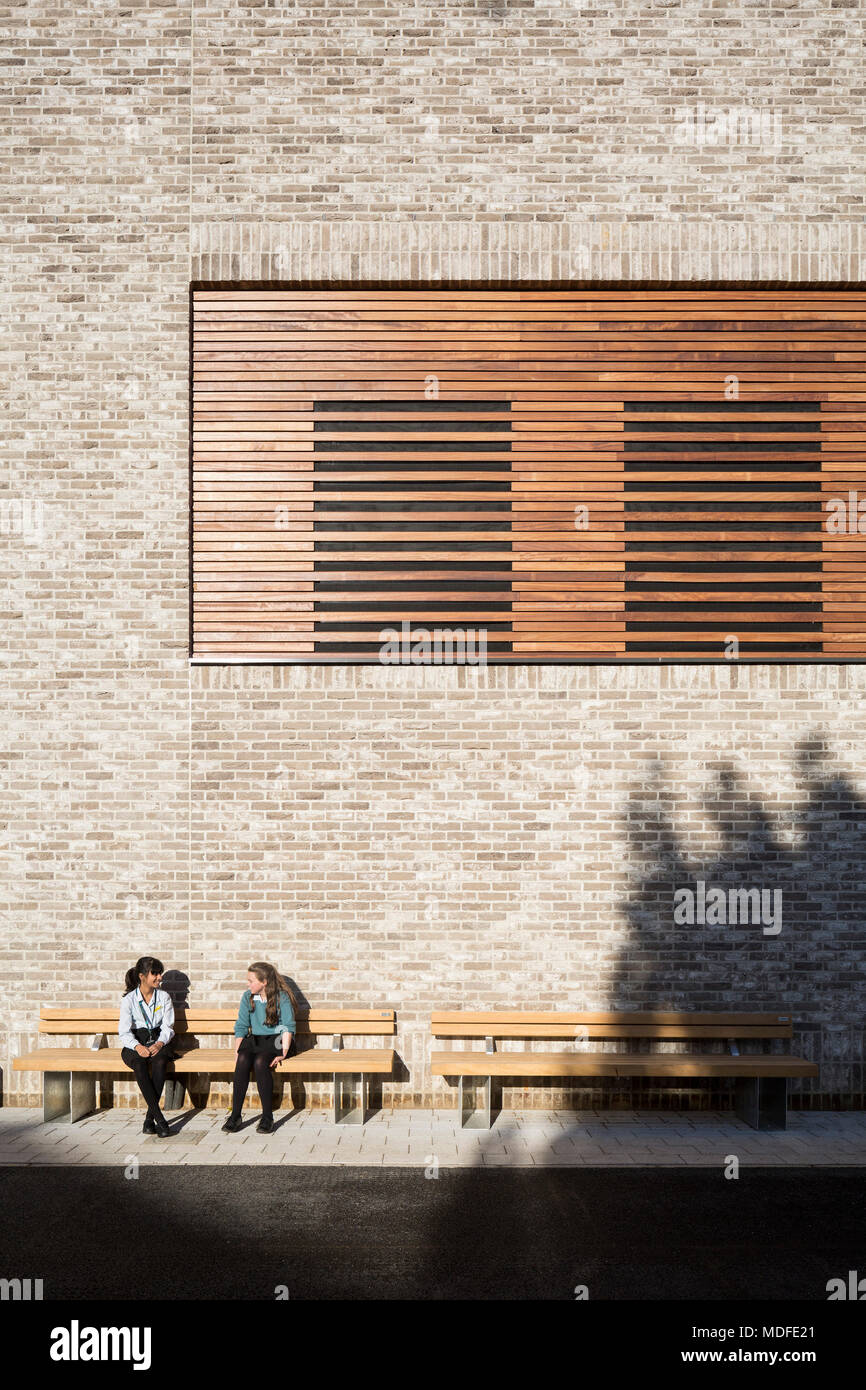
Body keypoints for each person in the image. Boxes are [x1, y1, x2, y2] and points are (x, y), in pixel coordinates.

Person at [222, 962, 297, 1134]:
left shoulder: (281, 997)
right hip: (256, 1039)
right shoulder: (247, 997)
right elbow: (241, 1025)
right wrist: (237, 1052)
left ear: (264, 982)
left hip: (278, 1039)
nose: (248, 984)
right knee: (242, 1059)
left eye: (251, 981)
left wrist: (283, 1053)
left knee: (261, 1062)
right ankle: (235, 1115)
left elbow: (288, 1026)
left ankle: (267, 1116)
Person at [119, 955, 176, 1137]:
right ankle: (159, 1119)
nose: (159, 977)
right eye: (155, 973)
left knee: (160, 1063)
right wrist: (137, 1047)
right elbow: (124, 1032)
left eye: (160, 973)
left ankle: (148, 1120)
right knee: (139, 1064)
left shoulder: (164, 997)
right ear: (142, 976)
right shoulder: (129, 1000)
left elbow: (168, 1027)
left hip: (159, 1040)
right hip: (136, 1041)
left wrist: (159, 1043)